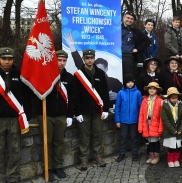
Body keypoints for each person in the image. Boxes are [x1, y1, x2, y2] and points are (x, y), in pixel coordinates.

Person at [33, 50, 74, 180]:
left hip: (61, 116)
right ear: (53, 60)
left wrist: (70, 115)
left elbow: (72, 99)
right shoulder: (45, 75)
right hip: (46, 115)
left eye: (64, 61)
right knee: (47, 143)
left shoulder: (69, 78)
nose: (61, 63)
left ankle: (58, 166)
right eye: (59, 60)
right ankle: (48, 168)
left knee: (59, 142)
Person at [73, 49, 110, 171]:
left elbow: (105, 92)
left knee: (98, 134)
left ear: (94, 58)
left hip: (97, 110)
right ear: (83, 59)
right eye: (87, 58)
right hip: (84, 111)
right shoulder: (78, 74)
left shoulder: (100, 73)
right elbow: (75, 95)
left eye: (91, 58)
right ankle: (83, 159)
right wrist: (77, 112)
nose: (90, 60)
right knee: (84, 136)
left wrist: (105, 109)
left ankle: (98, 156)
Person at [0, 47, 33, 182]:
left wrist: (28, 115)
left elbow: (27, 97)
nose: (7, 62)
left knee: (14, 150)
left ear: (13, 59)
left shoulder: (20, 75)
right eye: (3, 59)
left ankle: (13, 177)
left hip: (15, 119)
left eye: (9, 59)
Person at [114, 73, 143, 162]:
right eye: (128, 82)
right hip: (123, 120)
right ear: (125, 83)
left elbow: (140, 107)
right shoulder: (121, 93)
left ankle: (135, 154)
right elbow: (117, 107)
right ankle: (121, 154)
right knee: (123, 138)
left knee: (134, 138)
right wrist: (117, 120)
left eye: (131, 82)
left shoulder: (138, 93)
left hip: (134, 120)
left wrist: (140, 119)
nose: (130, 84)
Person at [138, 82, 163, 165]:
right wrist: (140, 126)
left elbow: (161, 116)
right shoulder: (145, 100)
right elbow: (141, 114)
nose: (152, 90)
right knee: (150, 140)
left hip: (156, 122)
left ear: (157, 91)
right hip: (147, 122)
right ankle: (151, 155)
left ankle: (156, 155)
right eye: (150, 88)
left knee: (155, 140)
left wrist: (160, 127)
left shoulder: (160, 101)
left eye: (154, 89)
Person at [161, 87, 182, 168]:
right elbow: (165, 119)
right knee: (171, 147)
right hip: (170, 131)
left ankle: (176, 159)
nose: (174, 100)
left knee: (178, 147)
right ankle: (170, 160)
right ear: (168, 98)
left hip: (178, 130)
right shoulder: (165, 106)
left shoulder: (181, 105)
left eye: (176, 98)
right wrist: (173, 130)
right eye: (172, 98)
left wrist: (181, 129)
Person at [121, 11, 151, 77]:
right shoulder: (116, 28)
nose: (129, 20)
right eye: (128, 18)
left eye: (131, 19)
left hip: (128, 57)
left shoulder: (135, 31)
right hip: (115, 55)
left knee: (127, 76)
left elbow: (147, 41)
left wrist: (137, 49)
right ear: (123, 17)